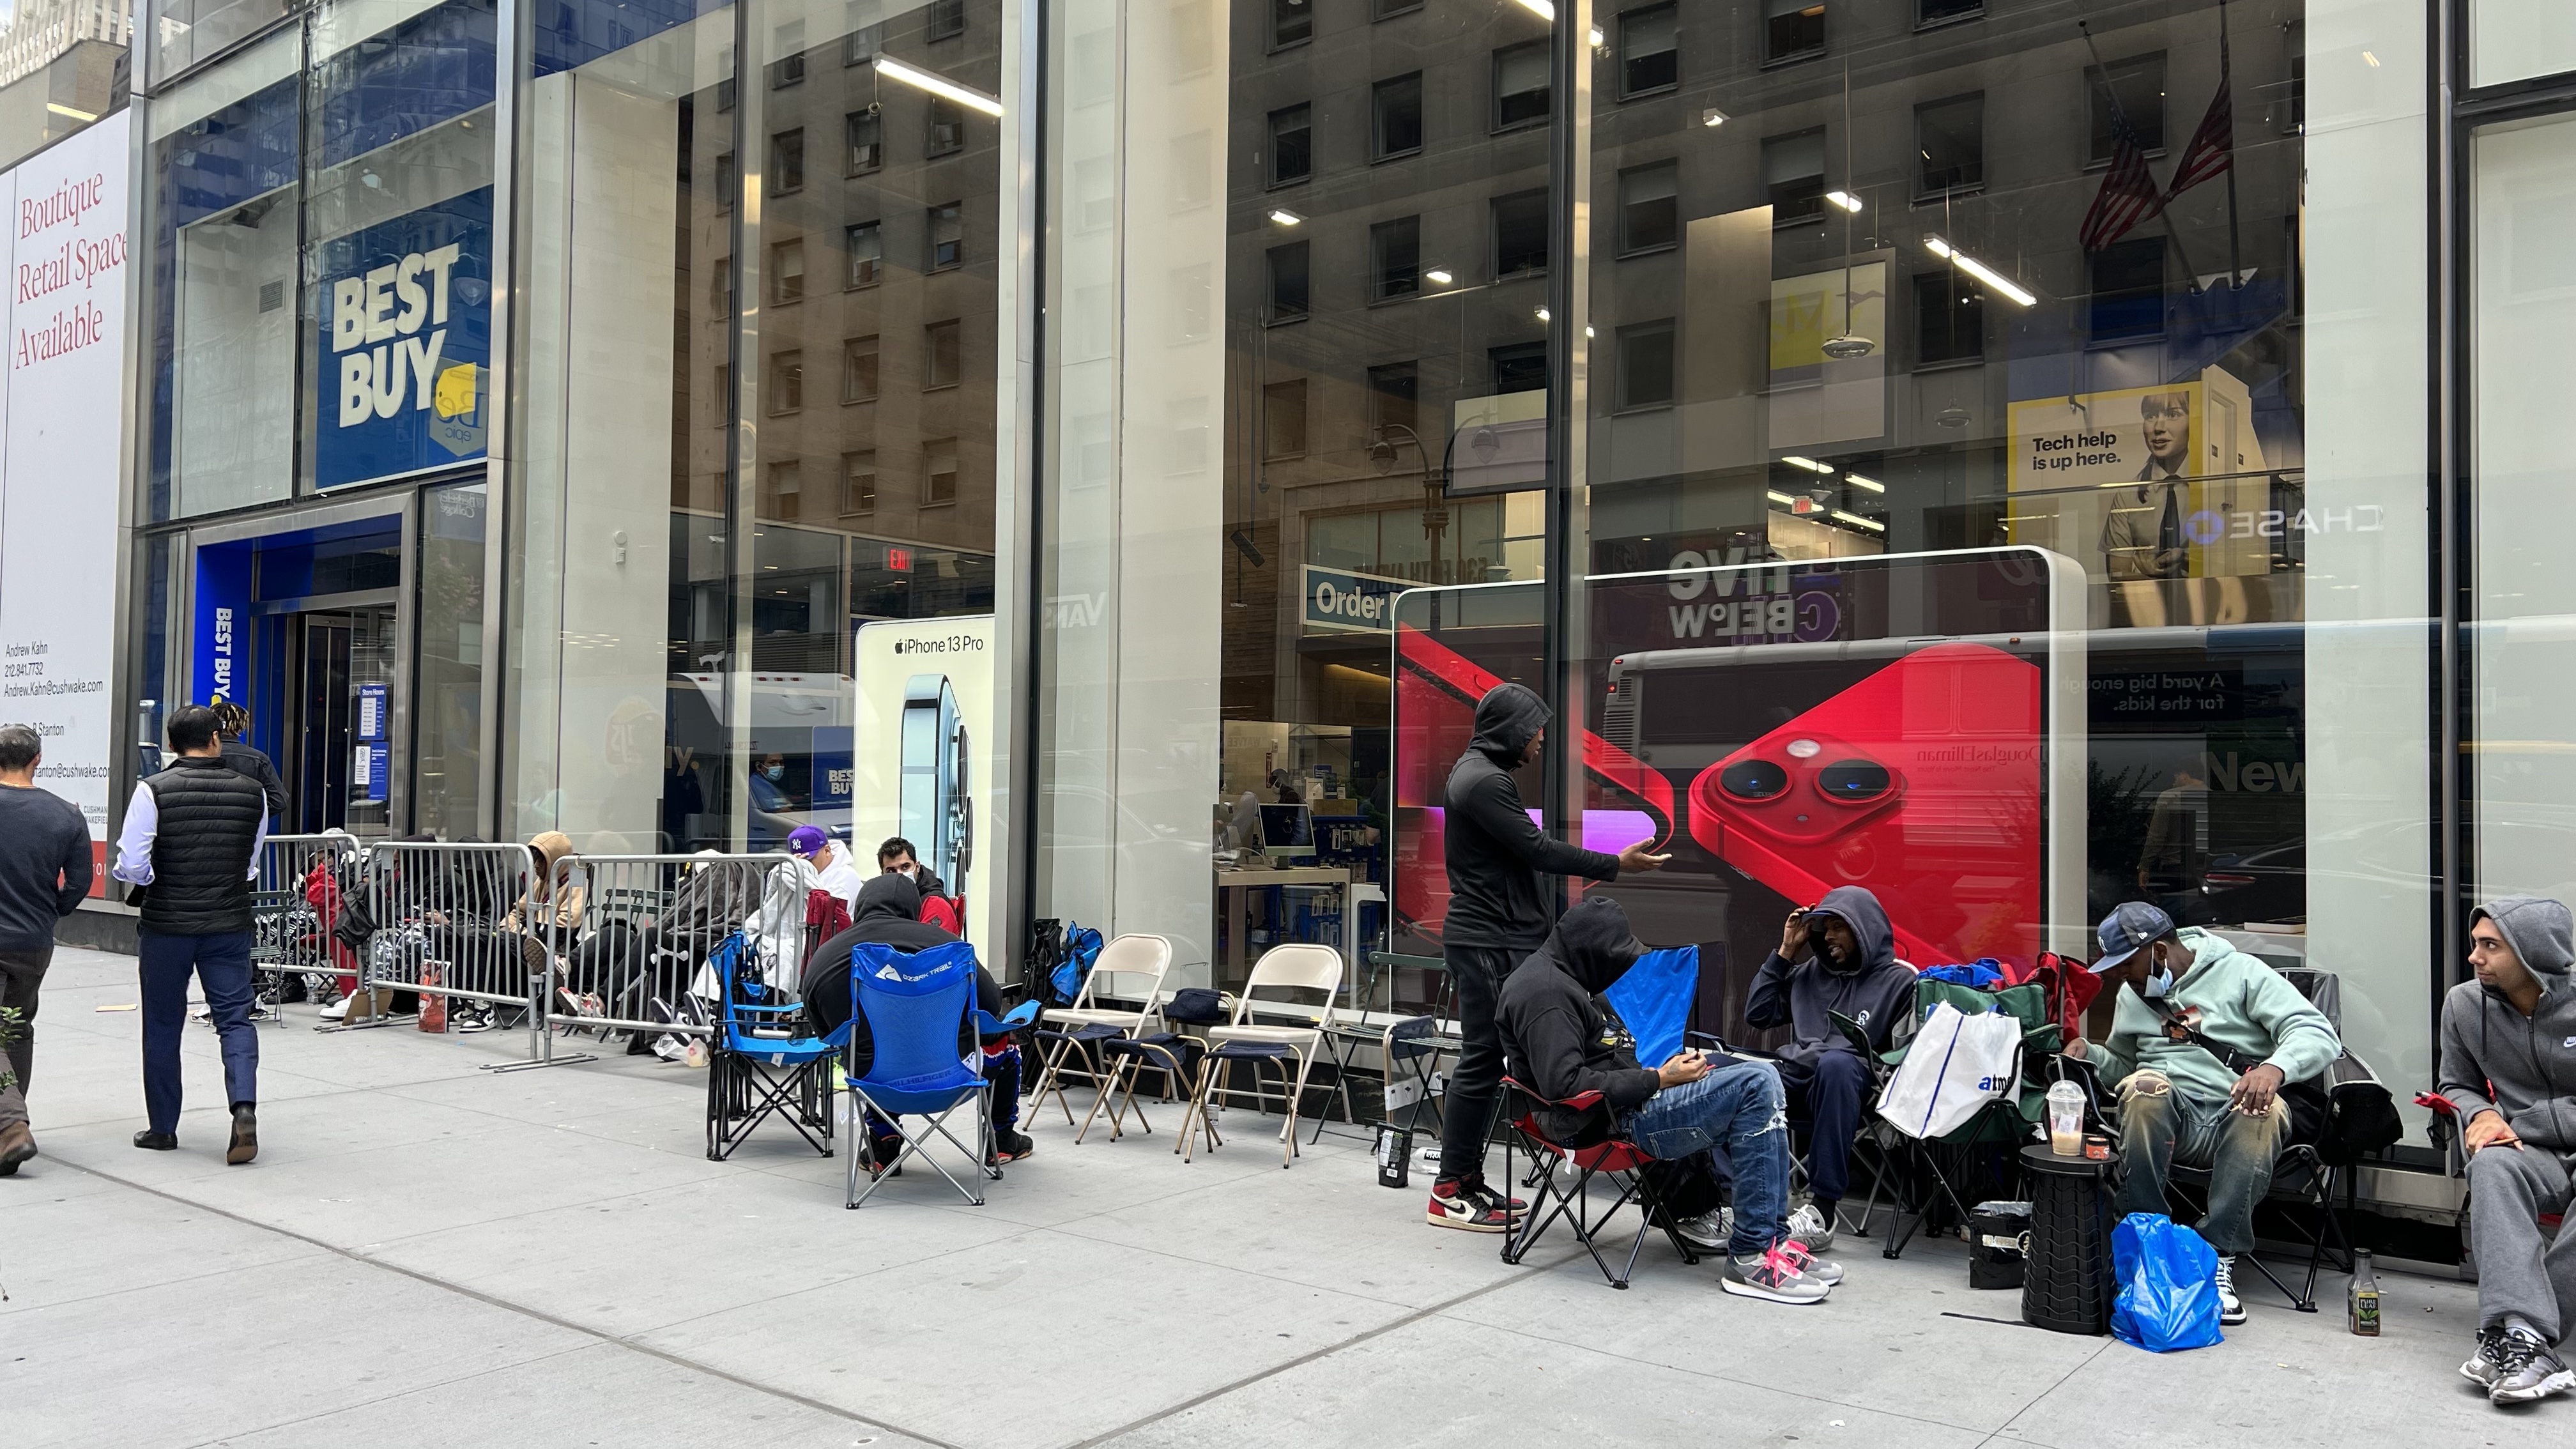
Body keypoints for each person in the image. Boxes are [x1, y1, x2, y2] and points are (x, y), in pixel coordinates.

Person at [1499, 896, 1839, 1303]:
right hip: (1601, 1124)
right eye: (1616, 959)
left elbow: (1600, 1063)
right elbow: (1565, 1086)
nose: (1621, 968)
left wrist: (1667, 1073)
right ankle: (1751, 1254)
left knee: (1736, 1067)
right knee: (1755, 1082)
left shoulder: (1565, 978)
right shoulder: (1546, 993)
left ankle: (1770, 1240)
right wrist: (1660, 1078)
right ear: (1590, 952)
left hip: (1620, 1106)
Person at [1429, 681, 1667, 1232]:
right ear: (1512, 731)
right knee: (1484, 1058)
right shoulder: (1484, 781)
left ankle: (1464, 1180)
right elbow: (1536, 851)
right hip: (1489, 941)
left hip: (1500, 937)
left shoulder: (1485, 775)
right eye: (1535, 730)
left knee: (1497, 1059)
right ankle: (1449, 1188)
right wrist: (1615, 864)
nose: (1540, 741)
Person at [2066, 901, 2339, 1326]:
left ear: (2157, 952)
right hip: (2174, 1118)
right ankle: (2147, 1244)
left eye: (2125, 965)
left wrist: (2273, 1068)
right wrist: (2094, 1055)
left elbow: (2316, 1031)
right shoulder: (2133, 995)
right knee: (2144, 1087)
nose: (2120, 975)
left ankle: (2216, 1259)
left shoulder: (2243, 973)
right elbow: (2125, 1063)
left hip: (2237, 1112)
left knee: (2262, 1109)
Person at [112, 705, 269, 1165]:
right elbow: (250, 863)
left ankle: (163, 1128)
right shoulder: (252, 792)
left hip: (167, 926)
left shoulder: (152, 791)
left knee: (162, 1024)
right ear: (217, 738)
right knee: (235, 1019)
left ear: (172, 744)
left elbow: (133, 865)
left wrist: (155, 877)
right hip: (228, 923)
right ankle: (243, 1108)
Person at [2441, 896, 2576, 1406]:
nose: (2475, 957)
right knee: (2492, 1165)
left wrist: (2527, 1119)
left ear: (2532, 953)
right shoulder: (2463, 1004)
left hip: (2541, 1134)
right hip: (2528, 1151)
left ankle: (2520, 1334)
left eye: (2490, 946)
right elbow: (2456, 1083)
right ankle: (2524, 1335)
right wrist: (2481, 1114)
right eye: (2476, 943)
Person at [802, 873, 1028, 1165]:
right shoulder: (947, 945)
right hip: (955, 1076)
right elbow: (990, 1003)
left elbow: (822, 1030)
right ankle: (1002, 1141)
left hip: (874, 1080)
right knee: (1008, 1048)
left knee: (863, 1047)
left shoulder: (828, 954)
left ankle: (883, 1145)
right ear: (914, 908)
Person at [1744, 885, 1918, 1249]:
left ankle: (1821, 1211)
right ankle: (1727, 1200)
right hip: (1796, 1084)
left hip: (1853, 1094)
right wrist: (1787, 951)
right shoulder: (1809, 974)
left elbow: (1904, 1056)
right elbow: (1758, 1014)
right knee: (1725, 1071)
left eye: (1839, 927)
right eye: (1825, 928)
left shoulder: (1900, 981)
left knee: (1838, 1064)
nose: (1829, 936)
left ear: (1864, 929)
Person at [0, 724, 95, 1177]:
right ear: (38, 760)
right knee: (16, 1030)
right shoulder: (66, 815)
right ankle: (8, 1133)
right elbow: (78, 884)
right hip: (33, 940)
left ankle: (11, 1125)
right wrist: (51, 910)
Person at [208, 700, 288, 822]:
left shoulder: (200, 755)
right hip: (244, 831)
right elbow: (279, 801)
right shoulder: (258, 758)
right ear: (241, 727)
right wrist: (249, 816)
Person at [790, 825, 864, 913]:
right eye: (798, 861)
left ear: (827, 851)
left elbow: (824, 918)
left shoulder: (845, 876)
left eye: (808, 860)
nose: (803, 865)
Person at [877, 836, 949, 906]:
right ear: (883, 874)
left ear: (917, 867)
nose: (899, 875)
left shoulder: (934, 903)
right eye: (891, 871)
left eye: (905, 867)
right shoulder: (878, 900)